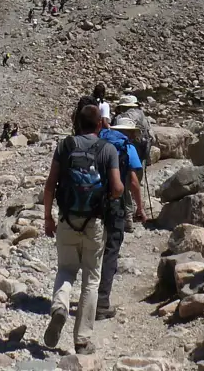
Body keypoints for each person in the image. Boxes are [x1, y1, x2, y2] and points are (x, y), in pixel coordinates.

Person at [43, 104, 122, 355]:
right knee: (91, 279)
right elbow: (118, 187)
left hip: (67, 219)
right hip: (95, 223)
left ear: (77, 122)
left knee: (66, 269)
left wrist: (48, 217)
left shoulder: (65, 146)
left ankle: (59, 307)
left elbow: (50, 184)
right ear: (100, 124)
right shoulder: (107, 149)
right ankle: (82, 340)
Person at [96, 117, 146, 320]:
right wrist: (139, 207)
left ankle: (86, 296)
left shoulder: (99, 140)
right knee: (111, 250)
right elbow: (133, 181)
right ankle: (101, 302)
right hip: (115, 203)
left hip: (93, 201)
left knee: (93, 248)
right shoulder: (127, 147)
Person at [113, 94, 153, 230]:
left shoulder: (120, 118)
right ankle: (136, 210)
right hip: (140, 151)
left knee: (125, 181)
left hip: (126, 151)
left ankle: (127, 216)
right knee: (134, 181)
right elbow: (150, 135)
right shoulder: (142, 115)